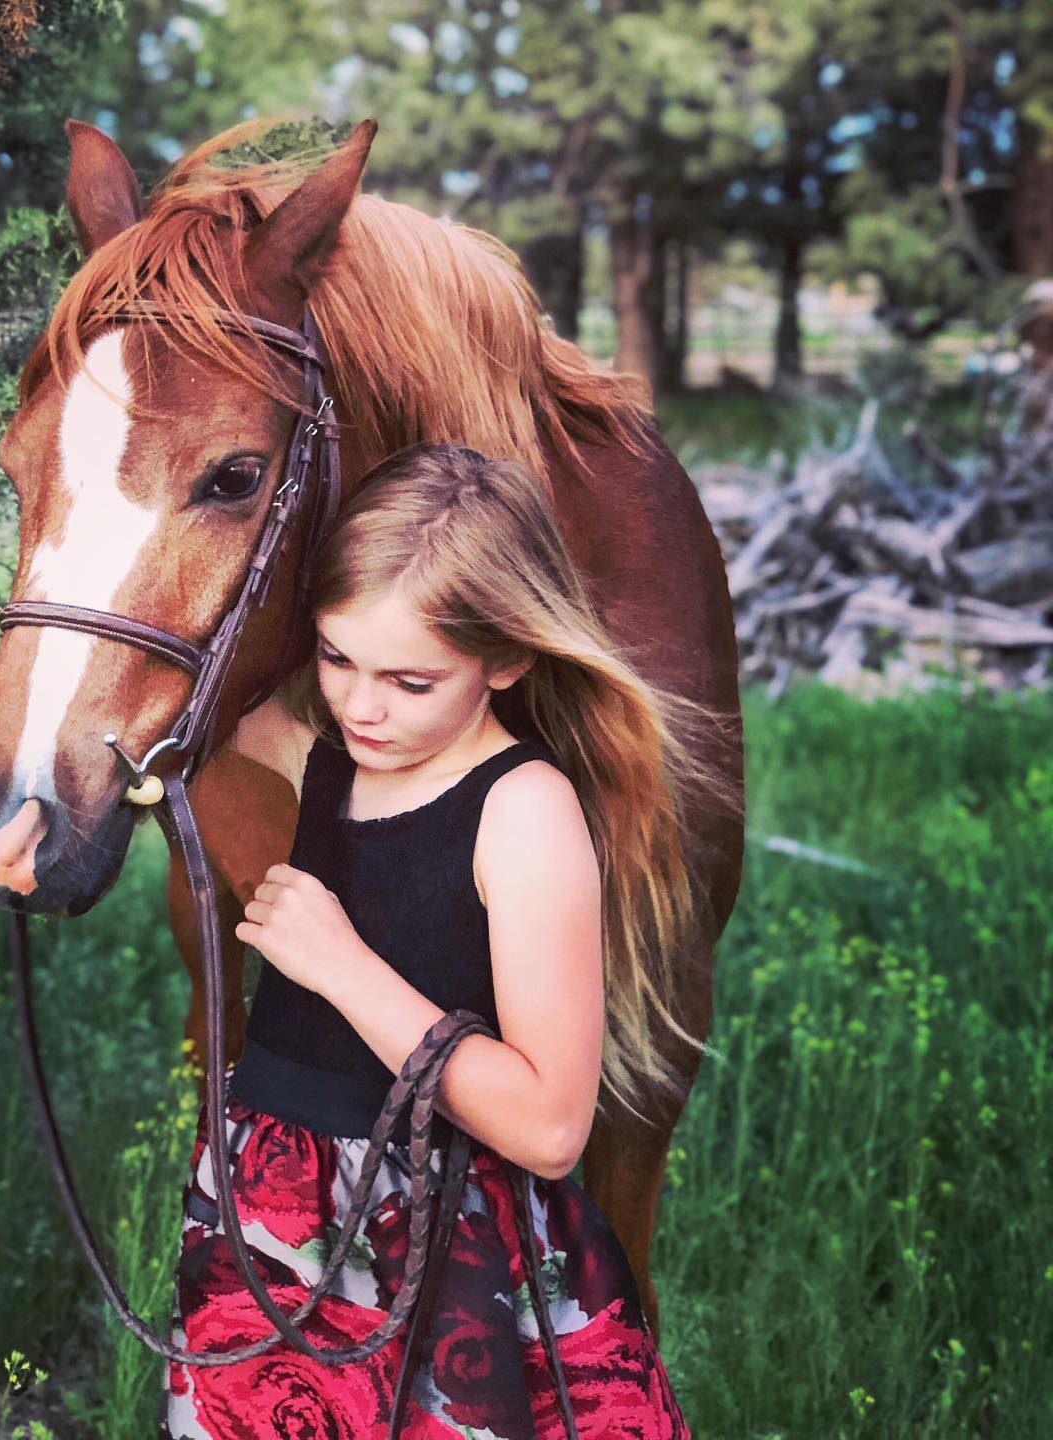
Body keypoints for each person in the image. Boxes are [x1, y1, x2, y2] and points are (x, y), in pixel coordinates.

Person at [160, 443, 725, 1439]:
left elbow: (552, 1126)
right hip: (268, 1226)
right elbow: (157, 731)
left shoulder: (524, 811)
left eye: (411, 681)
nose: (363, 707)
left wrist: (340, 967)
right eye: (337, 659)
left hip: (441, 1242)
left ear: (505, 657)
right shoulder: (310, 752)